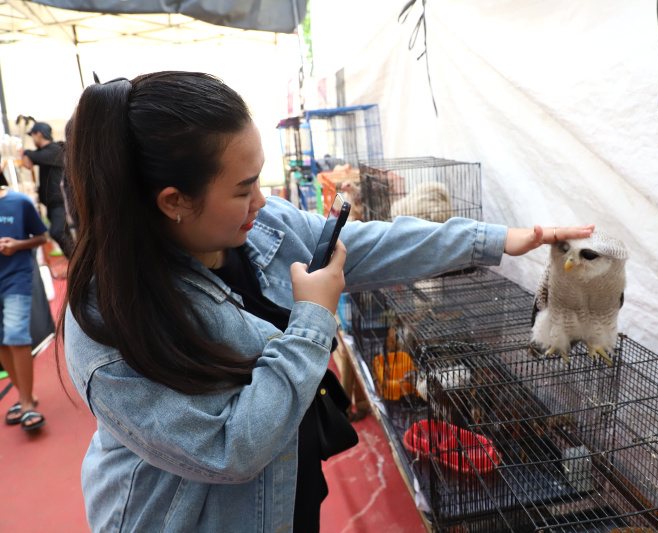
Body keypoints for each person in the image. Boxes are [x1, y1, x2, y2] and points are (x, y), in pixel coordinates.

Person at [61, 71, 594, 533]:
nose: (262, 201)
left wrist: (499, 239)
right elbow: (230, 449)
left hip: (288, 492)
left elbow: (362, 245)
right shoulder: (109, 322)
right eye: (243, 188)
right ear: (174, 201)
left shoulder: (263, 227)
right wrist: (314, 317)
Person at [0, 186, 49, 431]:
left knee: (16, 336)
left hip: (16, 278)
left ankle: (27, 403)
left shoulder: (19, 202)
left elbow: (43, 237)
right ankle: (22, 396)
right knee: (1, 341)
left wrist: (17, 244)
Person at [21, 121, 75, 259]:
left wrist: (26, 152)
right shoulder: (47, 152)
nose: (32, 140)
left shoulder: (55, 150)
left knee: (57, 232)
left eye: (33, 136)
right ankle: (76, 262)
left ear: (39, 134)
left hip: (60, 202)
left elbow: (35, 157)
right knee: (64, 234)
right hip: (53, 204)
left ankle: (78, 261)